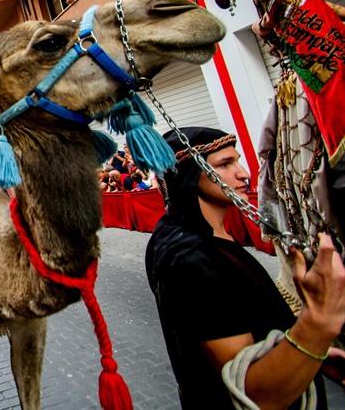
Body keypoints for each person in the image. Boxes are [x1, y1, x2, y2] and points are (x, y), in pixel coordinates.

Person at [146, 127, 345, 409]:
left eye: (237, 160)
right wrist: (320, 323)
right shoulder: (189, 259)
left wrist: (310, 354)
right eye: (225, 164)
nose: (242, 173)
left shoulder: (202, 235)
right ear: (188, 174)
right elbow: (252, 393)